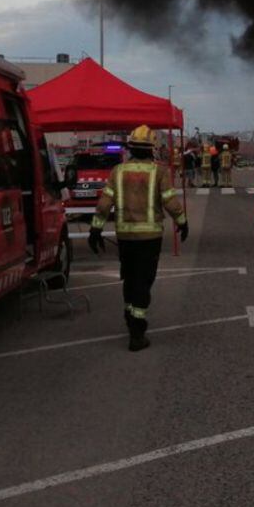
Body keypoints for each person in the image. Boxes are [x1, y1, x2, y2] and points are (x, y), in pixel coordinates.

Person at [89, 125, 188, 352]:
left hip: (125, 237)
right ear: (152, 149)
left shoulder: (118, 171)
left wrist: (95, 230)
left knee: (130, 278)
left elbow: (104, 203)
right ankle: (137, 330)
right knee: (144, 281)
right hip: (150, 238)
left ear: (131, 148)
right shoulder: (159, 172)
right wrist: (182, 222)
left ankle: (129, 314)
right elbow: (170, 201)